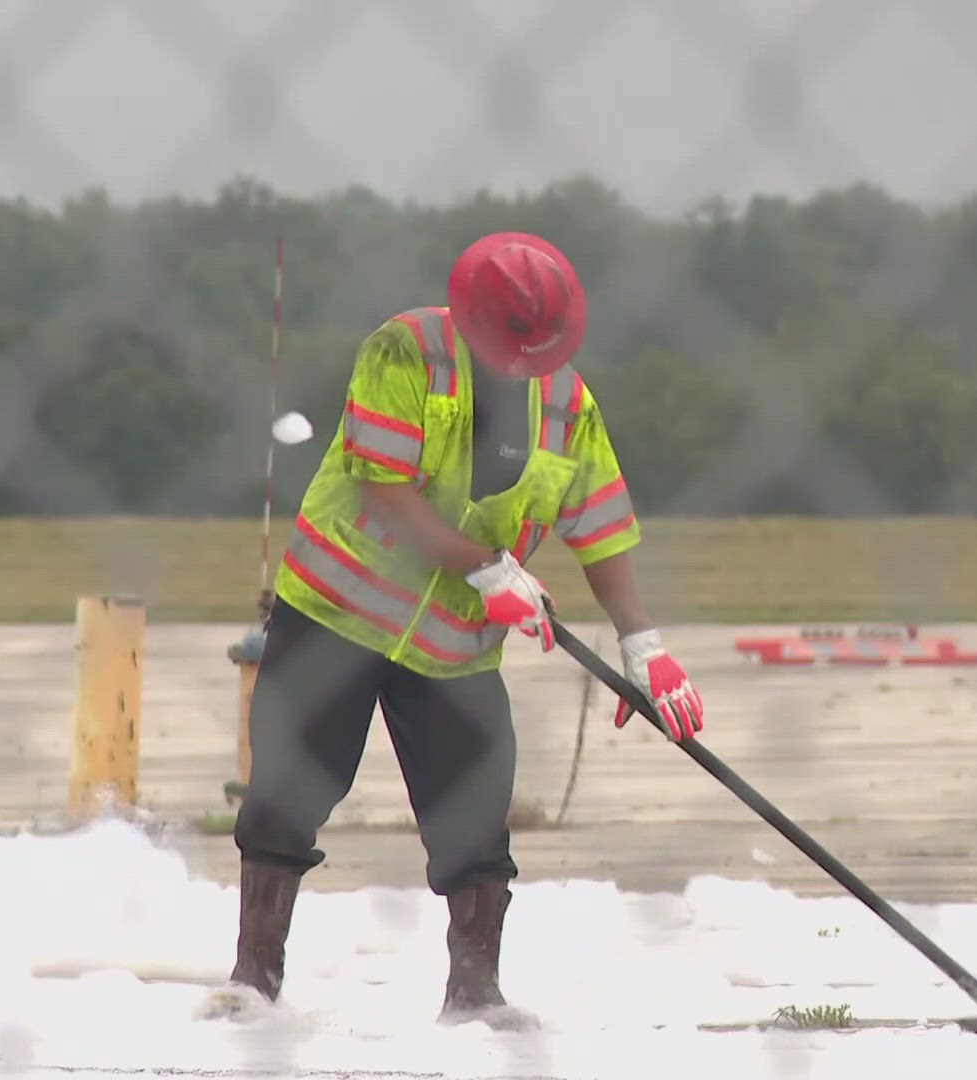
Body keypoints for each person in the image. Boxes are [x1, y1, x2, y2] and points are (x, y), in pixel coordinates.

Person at [227, 231, 706, 1026]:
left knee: (477, 816)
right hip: (337, 613)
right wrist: (485, 567)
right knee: (285, 796)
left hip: (452, 646)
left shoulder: (567, 403)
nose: (523, 360)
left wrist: (642, 645)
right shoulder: (405, 351)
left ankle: (476, 996)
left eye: (538, 346)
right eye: (509, 342)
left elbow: (603, 527)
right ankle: (252, 983)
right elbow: (385, 486)